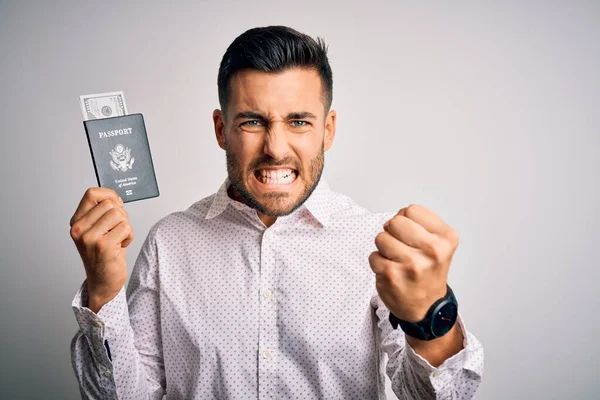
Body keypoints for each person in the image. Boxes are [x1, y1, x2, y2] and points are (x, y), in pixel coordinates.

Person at [69, 25, 484, 399]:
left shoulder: (373, 243)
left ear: (328, 129)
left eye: (299, 121)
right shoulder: (167, 243)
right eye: (252, 122)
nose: (276, 148)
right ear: (221, 129)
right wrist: (103, 292)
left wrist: (429, 319)